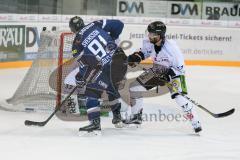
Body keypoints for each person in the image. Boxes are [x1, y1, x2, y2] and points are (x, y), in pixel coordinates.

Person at [125, 21, 202, 133]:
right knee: (134, 87)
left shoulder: (171, 48)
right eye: (149, 33)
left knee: (180, 97)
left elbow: (180, 68)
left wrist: (169, 75)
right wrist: (137, 57)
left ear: (160, 36)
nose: (149, 36)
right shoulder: (149, 41)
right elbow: (145, 52)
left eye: (152, 34)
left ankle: (195, 122)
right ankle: (136, 117)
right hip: (158, 69)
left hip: (175, 72)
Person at [69, 16, 128, 134]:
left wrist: (81, 77)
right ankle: (117, 118)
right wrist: (113, 38)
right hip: (121, 61)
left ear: (72, 30)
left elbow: (84, 63)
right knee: (111, 87)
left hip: (106, 66)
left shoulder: (76, 43)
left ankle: (95, 123)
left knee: (91, 91)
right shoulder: (95, 24)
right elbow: (119, 24)